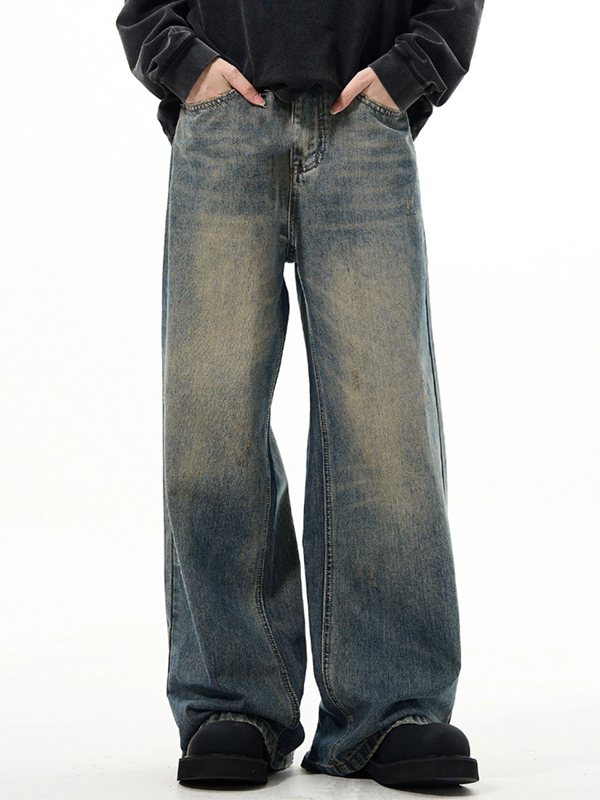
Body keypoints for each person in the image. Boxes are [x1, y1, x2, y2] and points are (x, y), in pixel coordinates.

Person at [115, 0, 485, 789]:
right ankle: (235, 702)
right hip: (222, 120)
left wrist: (412, 68)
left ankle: (390, 708)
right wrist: (181, 63)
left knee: (385, 426)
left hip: (364, 119)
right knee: (211, 423)